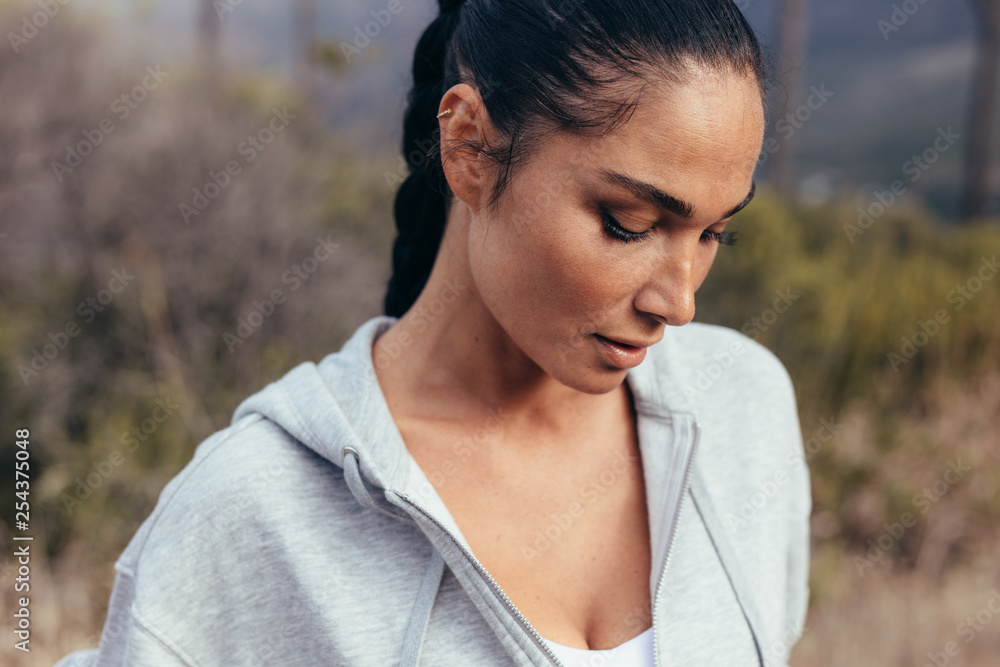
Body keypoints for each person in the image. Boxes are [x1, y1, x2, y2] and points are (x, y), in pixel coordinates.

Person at [55, 0, 811, 665]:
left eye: (715, 234)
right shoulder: (252, 513)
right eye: (630, 224)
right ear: (470, 148)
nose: (680, 302)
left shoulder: (744, 408)